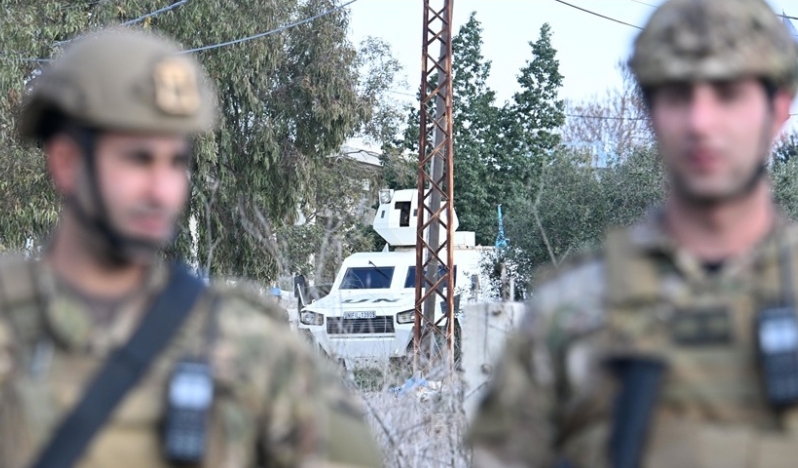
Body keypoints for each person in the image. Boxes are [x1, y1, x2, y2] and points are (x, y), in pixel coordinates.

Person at [0, 26, 383, 468]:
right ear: (66, 162)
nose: (163, 191)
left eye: (176, 162)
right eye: (138, 159)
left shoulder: (249, 345)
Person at [466, 0, 798, 467]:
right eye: (679, 95)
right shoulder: (570, 311)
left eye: (728, 93)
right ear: (650, 110)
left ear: (779, 109)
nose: (701, 122)